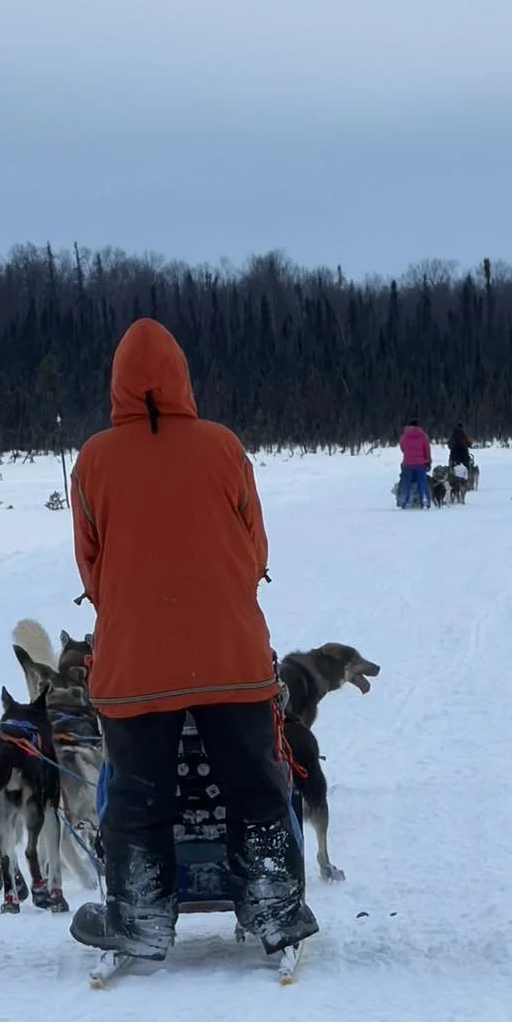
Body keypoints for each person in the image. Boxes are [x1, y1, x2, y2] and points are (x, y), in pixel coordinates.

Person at [67, 317, 317, 961]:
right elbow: (255, 547)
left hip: (136, 661)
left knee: (137, 791)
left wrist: (131, 604)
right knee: (254, 785)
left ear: (118, 385)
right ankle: (273, 907)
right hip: (230, 654)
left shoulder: (93, 460)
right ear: (181, 378)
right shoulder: (224, 447)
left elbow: (91, 566)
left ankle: (141, 915)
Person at [398, 418, 432, 507]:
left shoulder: (404, 436)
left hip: (407, 463)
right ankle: (424, 501)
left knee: (406, 483)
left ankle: (402, 501)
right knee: (422, 483)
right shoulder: (423, 436)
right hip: (421, 463)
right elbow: (427, 449)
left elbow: (402, 448)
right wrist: (428, 461)